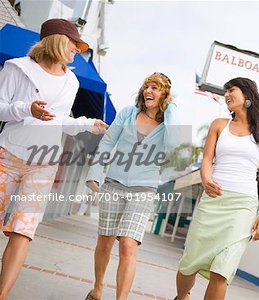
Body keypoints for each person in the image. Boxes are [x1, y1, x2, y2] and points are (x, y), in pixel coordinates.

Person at [0, 18, 108, 299]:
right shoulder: (17, 68)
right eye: (75, 44)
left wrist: (88, 123)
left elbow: (59, 121)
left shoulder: (71, 81)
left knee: (23, 231)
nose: (77, 51)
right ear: (59, 40)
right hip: (8, 154)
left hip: (44, 164)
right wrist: (27, 109)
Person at [175, 77, 259, 300]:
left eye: (232, 90)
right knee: (189, 262)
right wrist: (205, 178)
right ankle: (182, 296)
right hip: (213, 200)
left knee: (222, 270)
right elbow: (207, 160)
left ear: (247, 95)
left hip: (243, 206)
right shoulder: (219, 125)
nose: (227, 95)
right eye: (225, 92)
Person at [85, 72, 178, 300]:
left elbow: (174, 145)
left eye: (156, 88)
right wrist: (94, 173)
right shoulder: (127, 113)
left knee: (128, 245)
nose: (149, 91)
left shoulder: (168, 124)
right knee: (105, 242)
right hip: (114, 184)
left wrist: (172, 109)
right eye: (147, 86)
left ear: (165, 95)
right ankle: (98, 287)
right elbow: (108, 141)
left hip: (144, 190)